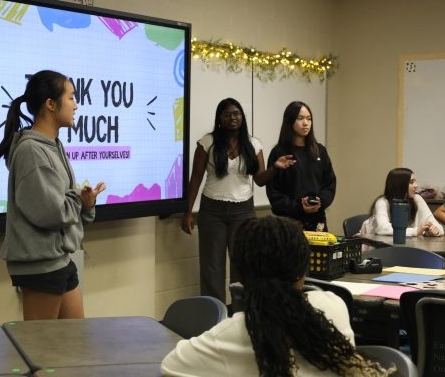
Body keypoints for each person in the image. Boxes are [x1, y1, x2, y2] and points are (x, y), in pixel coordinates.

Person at [161, 216, 394, 377]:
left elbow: (170, 365)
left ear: (243, 273)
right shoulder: (333, 306)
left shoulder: (232, 333)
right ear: (302, 271)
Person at [0, 70, 106, 320]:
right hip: (40, 265)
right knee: (40, 350)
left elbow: (64, 205)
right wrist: (77, 199)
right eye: (71, 98)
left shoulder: (53, 145)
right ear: (51, 104)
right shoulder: (31, 151)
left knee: (74, 343)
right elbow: (52, 212)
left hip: (59, 259)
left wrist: (85, 204)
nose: (76, 105)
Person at [181, 98, 295, 305]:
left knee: (242, 264)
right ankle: (214, 317)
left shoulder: (253, 144)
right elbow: (196, 178)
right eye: (227, 114)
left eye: (237, 114)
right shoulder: (207, 142)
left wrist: (275, 168)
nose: (233, 118)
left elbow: (260, 180)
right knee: (212, 267)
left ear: (242, 117)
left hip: (243, 210)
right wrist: (187, 211)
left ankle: (241, 314)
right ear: (219, 119)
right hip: (212, 209)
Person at [266, 101, 336, 232]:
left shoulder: (319, 150)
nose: (306, 123)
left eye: (309, 119)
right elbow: (274, 193)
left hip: (318, 221)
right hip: (289, 223)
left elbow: (330, 184)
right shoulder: (279, 152)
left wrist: (319, 202)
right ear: (290, 121)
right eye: (300, 118)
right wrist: (299, 207)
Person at [360, 167, 443, 237]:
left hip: (407, 248)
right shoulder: (382, 202)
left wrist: (434, 230)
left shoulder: (417, 199)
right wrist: (415, 231)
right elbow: (382, 228)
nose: (416, 185)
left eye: (415, 181)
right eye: (411, 182)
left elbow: (438, 227)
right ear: (400, 185)